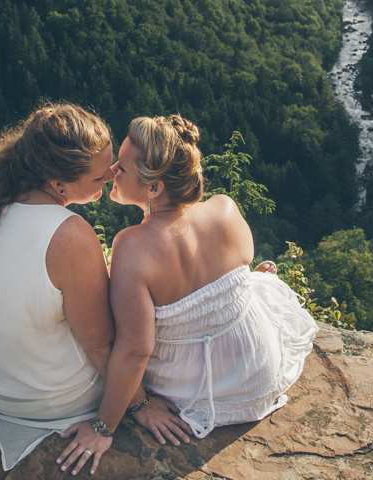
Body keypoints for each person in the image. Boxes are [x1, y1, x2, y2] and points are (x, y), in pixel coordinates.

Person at [56, 115, 319, 476]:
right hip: (259, 370)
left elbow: (135, 350)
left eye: (122, 166)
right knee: (251, 286)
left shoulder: (131, 247)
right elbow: (230, 267)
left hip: (198, 390)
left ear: (153, 189)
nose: (112, 169)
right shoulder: (225, 208)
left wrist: (109, 424)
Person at [0, 102, 146, 472]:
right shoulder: (69, 235)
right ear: (58, 184)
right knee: (145, 334)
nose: (111, 176)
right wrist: (140, 404)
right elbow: (100, 343)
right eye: (100, 177)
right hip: (32, 397)